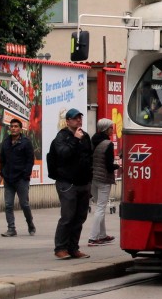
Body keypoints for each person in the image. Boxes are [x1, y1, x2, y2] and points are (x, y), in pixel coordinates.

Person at [48, 108, 93, 259]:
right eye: (75, 118)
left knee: (80, 217)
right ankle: (60, 248)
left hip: (83, 182)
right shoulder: (61, 137)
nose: (78, 120)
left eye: (80, 118)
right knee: (67, 217)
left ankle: (73, 248)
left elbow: (88, 158)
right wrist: (75, 139)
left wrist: (90, 180)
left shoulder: (85, 136)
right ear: (68, 121)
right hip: (67, 183)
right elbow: (63, 154)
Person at [0, 117, 36, 236]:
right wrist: (3, 173)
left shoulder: (26, 142)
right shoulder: (5, 142)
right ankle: (11, 228)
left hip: (21, 179)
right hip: (8, 179)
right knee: (8, 205)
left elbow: (30, 160)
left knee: (24, 204)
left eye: (16, 127)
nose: (13, 129)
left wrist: (26, 174)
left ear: (20, 129)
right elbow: (2, 159)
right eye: (12, 126)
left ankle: (30, 224)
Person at [87, 118, 117, 246]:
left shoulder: (92, 140)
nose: (112, 129)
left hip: (92, 178)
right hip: (104, 178)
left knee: (100, 206)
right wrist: (118, 166)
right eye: (111, 127)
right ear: (106, 129)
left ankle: (102, 235)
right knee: (100, 208)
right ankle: (93, 238)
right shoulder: (108, 144)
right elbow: (109, 166)